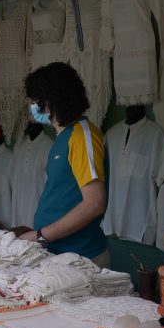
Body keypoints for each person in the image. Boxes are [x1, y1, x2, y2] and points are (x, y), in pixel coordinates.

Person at [20, 62, 109, 266]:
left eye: (36, 99)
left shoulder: (81, 136)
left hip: (81, 257)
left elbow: (94, 204)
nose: (33, 105)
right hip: (59, 255)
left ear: (52, 99)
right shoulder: (64, 137)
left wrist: (41, 235)